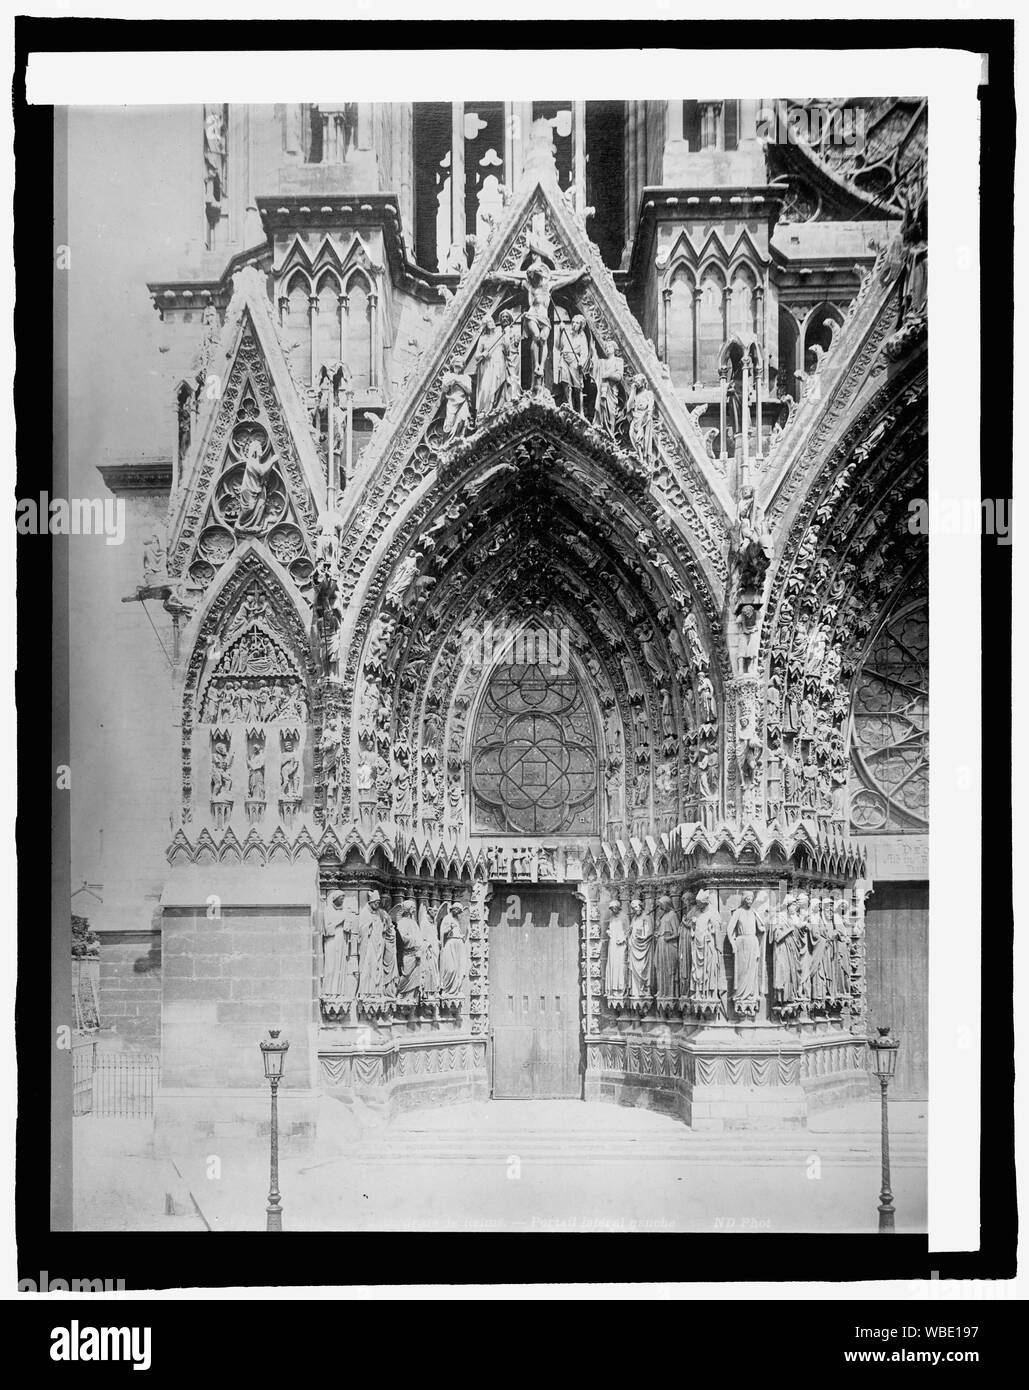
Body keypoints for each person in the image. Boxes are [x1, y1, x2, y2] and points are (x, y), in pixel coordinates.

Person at [727, 891, 766, 1015]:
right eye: (748, 899)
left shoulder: (754, 912)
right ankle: (740, 994)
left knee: (752, 970)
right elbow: (729, 929)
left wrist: (763, 924)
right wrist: (733, 944)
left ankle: (751, 994)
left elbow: (760, 928)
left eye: (751, 899)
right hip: (741, 943)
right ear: (744, 899)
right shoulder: (738, 912)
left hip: (753, 942)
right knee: (742, 971)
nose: (750, 901)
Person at [235, 433, 276, 532]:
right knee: (249, 507)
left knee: (261, 505)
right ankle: (238, 523)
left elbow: (264, 473)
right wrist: (272, 460)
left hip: (259, 489)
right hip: (249, 490)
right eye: (258, 448)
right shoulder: (251, 461)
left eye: (261, 448)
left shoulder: (257, 462)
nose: (261, 450)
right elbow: (261, 471)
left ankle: (256, 525)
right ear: (253, 451)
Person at [626, 897, 655, 1007]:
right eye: (633, 908)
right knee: (634, 970)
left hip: (644, 948)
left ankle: (644, 991)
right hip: (634, 948)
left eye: (636, 907)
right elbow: (631, 930)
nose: (634, 910)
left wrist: (639, 937)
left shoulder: (646, 917)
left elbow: (649, 932)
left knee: (644, 969)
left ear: (641, 906)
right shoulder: (634, 918)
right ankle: (636, 991)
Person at [439, 903, 468, 1002]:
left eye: (460, 911)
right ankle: (446, 990)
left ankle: (455, 990)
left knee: (458, 969)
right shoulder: (447, 918)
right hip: (450, 944)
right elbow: (442, 933)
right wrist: (449, 929)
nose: (458, 913)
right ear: (453, 909)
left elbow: (458, 931)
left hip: (458, 945)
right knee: (450, 969)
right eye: (458, 911)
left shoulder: (456, 920)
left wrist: (461, 936)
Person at [653, 894, 680, 1005]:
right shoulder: (663, 916)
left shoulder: (672, 915)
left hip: (669, 946)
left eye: (661, 905)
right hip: (661, 944)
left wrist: (668, 938)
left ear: (666, 904)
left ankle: (670, 992)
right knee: (660, 968)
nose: (660, 908)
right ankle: (661, 991)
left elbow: (677, 932)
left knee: (669, 969)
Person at [603, 898, 627, 1006]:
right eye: (611, 908)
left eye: (614, 908)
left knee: (620, 965)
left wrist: (623, 938)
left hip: (620, 946)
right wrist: (609, 932)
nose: (613, 910)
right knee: (613, 965)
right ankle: (613, 989)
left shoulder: (624, 917)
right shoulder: (612, 918)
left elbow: (628, 931)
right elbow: (610, 928)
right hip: (612, 944)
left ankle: (620, 989)